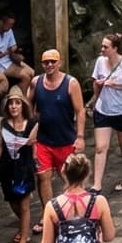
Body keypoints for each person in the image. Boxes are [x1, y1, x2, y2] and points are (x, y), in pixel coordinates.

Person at [30, 48, 85, 208]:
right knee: (42, 176)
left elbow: (80, 111)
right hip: (43, 140)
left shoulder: (71, 83)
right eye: (46, 62)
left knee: (69, 178)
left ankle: (74, 209)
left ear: (59, 62)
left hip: (65, 139)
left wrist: (80, 137)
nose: (49, 65)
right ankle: (48, 213)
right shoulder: (36, 82)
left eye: (53, 61)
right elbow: (29, 108)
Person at [88, 33, 122, 193]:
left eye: (105, 47)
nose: (102, 49)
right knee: (101, 147)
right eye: (102, 46)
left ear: (115, 49)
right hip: (104, 109)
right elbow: (95, 83)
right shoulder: (100, 62)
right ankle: (97, 184)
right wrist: (97, 88)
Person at [0, 91, 39, 243]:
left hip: (24, 167)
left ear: (23, 105)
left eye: (17, 103)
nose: (14, 106)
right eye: (11, 103)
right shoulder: (4, 124)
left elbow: (35, 144)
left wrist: (35, 160)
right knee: (12, 201)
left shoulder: (32, 123)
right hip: (7, 167)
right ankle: (24, 226)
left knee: (25, 204)